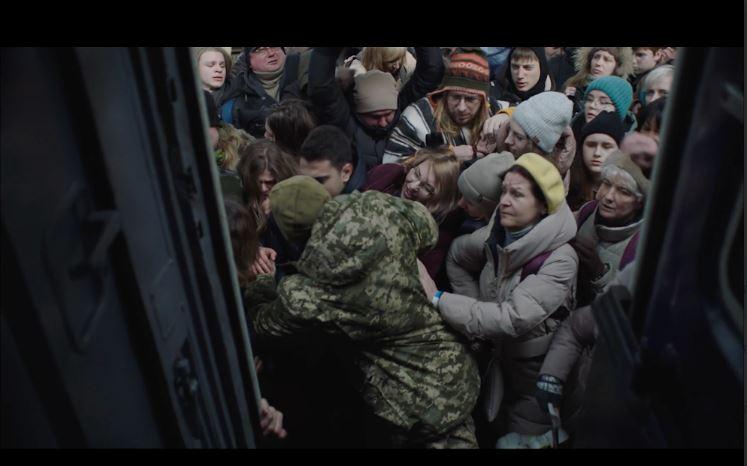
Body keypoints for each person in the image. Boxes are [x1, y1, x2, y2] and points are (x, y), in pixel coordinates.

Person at [243, 176, 481, 448]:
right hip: (453, 370)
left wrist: (261, 280)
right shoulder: (376, 206)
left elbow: (263, 323)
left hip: (413, 402)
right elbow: (427, 229)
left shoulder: (312, 292)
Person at [420, 153, 578, 448]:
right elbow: (457, 256)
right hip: (492, 362)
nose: (504, 201)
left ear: (543, 205)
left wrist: (439, 299)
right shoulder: (500, 233)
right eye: (503, 191)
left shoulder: (561, 260)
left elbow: (512, 318)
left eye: (516, 194)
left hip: (532, 382)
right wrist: (478, 316)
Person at [309, 46, 444, 171]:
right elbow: (321, 87)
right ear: (358, 111)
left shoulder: (403, 109)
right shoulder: (344, 120)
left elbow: (431, 71)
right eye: (375, 117)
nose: (383, 123)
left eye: (388, 114)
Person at [362, 148, 462, 285]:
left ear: (440, 199)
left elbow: (413, 284)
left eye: (427, 188)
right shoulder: (387, 174)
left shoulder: (437, 236)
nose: (414, 186)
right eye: (416, 174)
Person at [383, 47, 495, 164]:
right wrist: (448, 155)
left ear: (483, 99)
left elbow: (508, 108)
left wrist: (504, 117)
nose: (461, 107)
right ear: (445, 93)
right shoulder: (417, 118)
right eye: (455, 97)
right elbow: (391, 167)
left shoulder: (492, 109)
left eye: (470, 99)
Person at [572, 151, 649, 307]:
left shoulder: (640, 245)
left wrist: (600, 273)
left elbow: (625, 309)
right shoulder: (587, 212)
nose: (608, 196)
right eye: (606, 183)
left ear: (639, 202)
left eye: (623, 191)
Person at [219, 47, 310, 137]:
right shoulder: (239, 94)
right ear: (249, 61)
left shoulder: (305, 70)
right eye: (261, 50)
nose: (271, 53)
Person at [567, 111, 625, 211]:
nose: (597, 153)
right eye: (591, 145)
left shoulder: (626, 193)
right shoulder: (566, 184)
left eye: (606, 146)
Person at [298, 125, 367, 197]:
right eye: (303, 181)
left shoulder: (369, 200)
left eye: (319, 181)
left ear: (346, 172)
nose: (308, 190)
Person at [562, 48, 634, 115]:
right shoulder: (573, 85)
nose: (598, 63)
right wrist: (564, 101)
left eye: (606, 59)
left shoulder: (620, 95)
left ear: (617, 67)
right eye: (596, 57)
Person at [570, 75, 635, 143]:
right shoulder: (571, 130)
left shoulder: (628, 145)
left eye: (604, 102)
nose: (592, 105)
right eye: (589, 99)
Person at [342, 47, 417, 89]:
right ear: (376, 58)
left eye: (399, 59)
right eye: (391, 61)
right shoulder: (358, 75)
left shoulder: (407, 61)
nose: (397, 66)